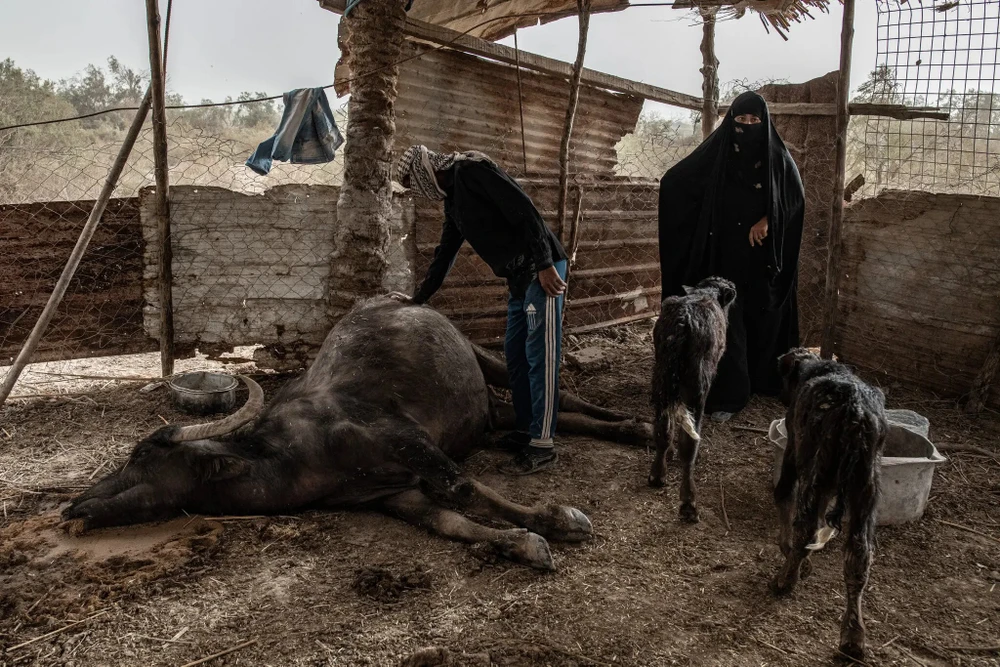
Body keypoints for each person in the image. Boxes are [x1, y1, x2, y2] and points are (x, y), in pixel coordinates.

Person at [394, 145, 569, 475]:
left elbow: (525, 211)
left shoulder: (472, 172)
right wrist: (419, 298)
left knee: (539, 355)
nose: (413, 189)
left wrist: (546, 264)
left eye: (410, 180)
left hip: (541, 269)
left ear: (426, 172)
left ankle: (543, 445)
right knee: (515, 354)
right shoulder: (453, 201)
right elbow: (445, 253)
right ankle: (524, 432)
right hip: (519, 276)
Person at [657, 91, 805, 422]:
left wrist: (768, 220)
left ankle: (762, 380)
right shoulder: (720, 153)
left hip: (762, 258)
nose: (748, 125)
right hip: (724, 255)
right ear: (731, 121)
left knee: (760, 314)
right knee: (728, 320)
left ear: (764, 122)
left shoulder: (777, 158)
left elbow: (793, 198)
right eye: (741, 119)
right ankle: (730, 394)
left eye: (754, 120)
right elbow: (678, 181)